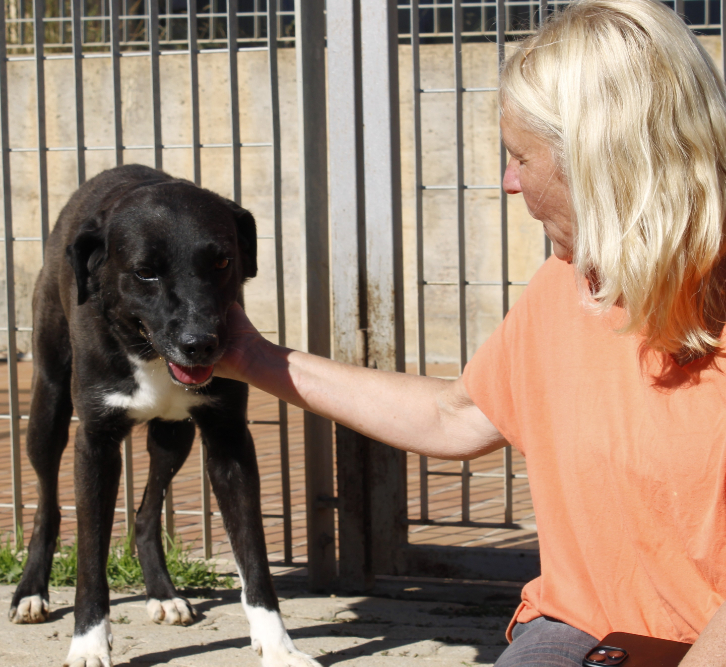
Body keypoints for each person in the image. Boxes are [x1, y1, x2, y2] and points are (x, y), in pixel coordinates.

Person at [213, 0, 726, 665]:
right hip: (586, 629)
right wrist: (252, 356)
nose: (508, 182)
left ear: (601, 160)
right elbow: (456, 415)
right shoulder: (566, 287)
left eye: (519, 157)